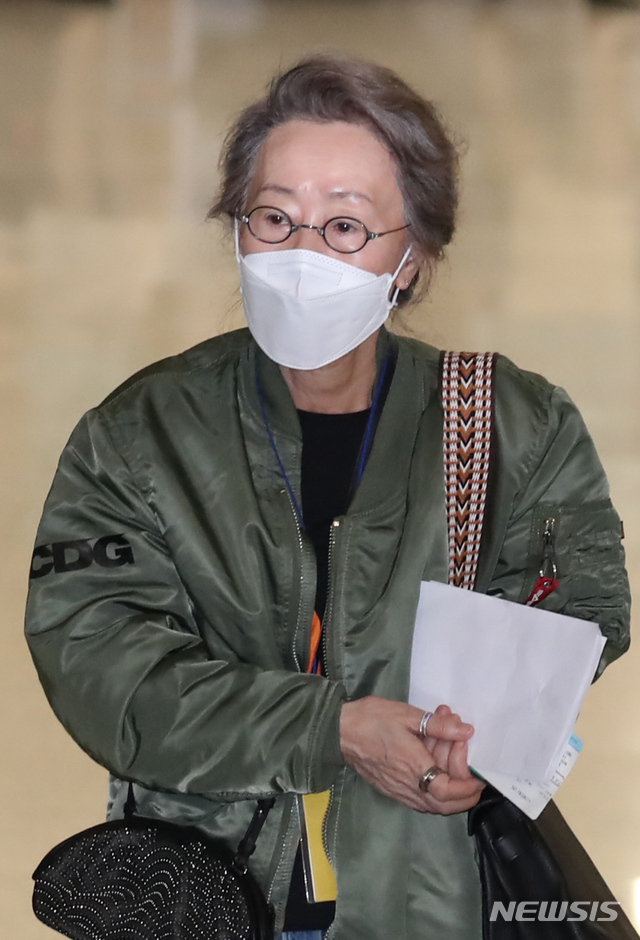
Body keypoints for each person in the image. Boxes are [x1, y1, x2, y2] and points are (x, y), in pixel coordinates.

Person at [25, 55, 630, 940]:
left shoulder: (512, 425)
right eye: (275, 218)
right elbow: (99, 663)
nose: (302, 255)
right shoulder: (141, 434)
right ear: (237, 229)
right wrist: (329, 728)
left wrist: (488, 747)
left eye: (345, 226)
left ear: (411, 258)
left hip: (428, 894)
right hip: (212, 892)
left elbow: (583, 608)